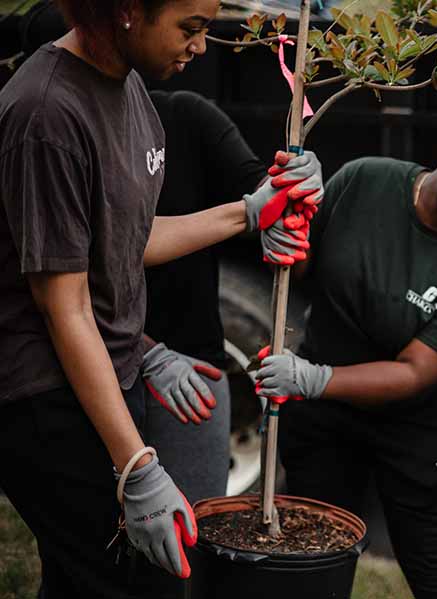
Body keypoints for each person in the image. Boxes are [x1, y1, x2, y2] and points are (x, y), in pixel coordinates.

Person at [0, 1, 317, 597]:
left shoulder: (128, 88)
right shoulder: (46, 113)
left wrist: (252, 211)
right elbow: (63, 307)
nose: (201, 46)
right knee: (136, 583)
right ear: (125, 10)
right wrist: (138, 469)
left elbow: (127, 239)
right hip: (42, 394)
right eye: (191, 28)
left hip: (103, 374)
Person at [254, 103, 437, 598]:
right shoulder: (365, 181)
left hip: (412, 428)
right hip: (325, 421)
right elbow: (300, 269)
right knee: (308, 566)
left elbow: (413, 373)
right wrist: (284, 223)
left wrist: (313, 378)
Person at [141, 88, 268, 505]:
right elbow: (117, 247)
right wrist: (141, 350)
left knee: (197, 536)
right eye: (188, 28)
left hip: (191, 364)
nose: (197, 46)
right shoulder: (52, 122)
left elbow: (263, 190)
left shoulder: (184, 115)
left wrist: (291, 186)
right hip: (90, 362)